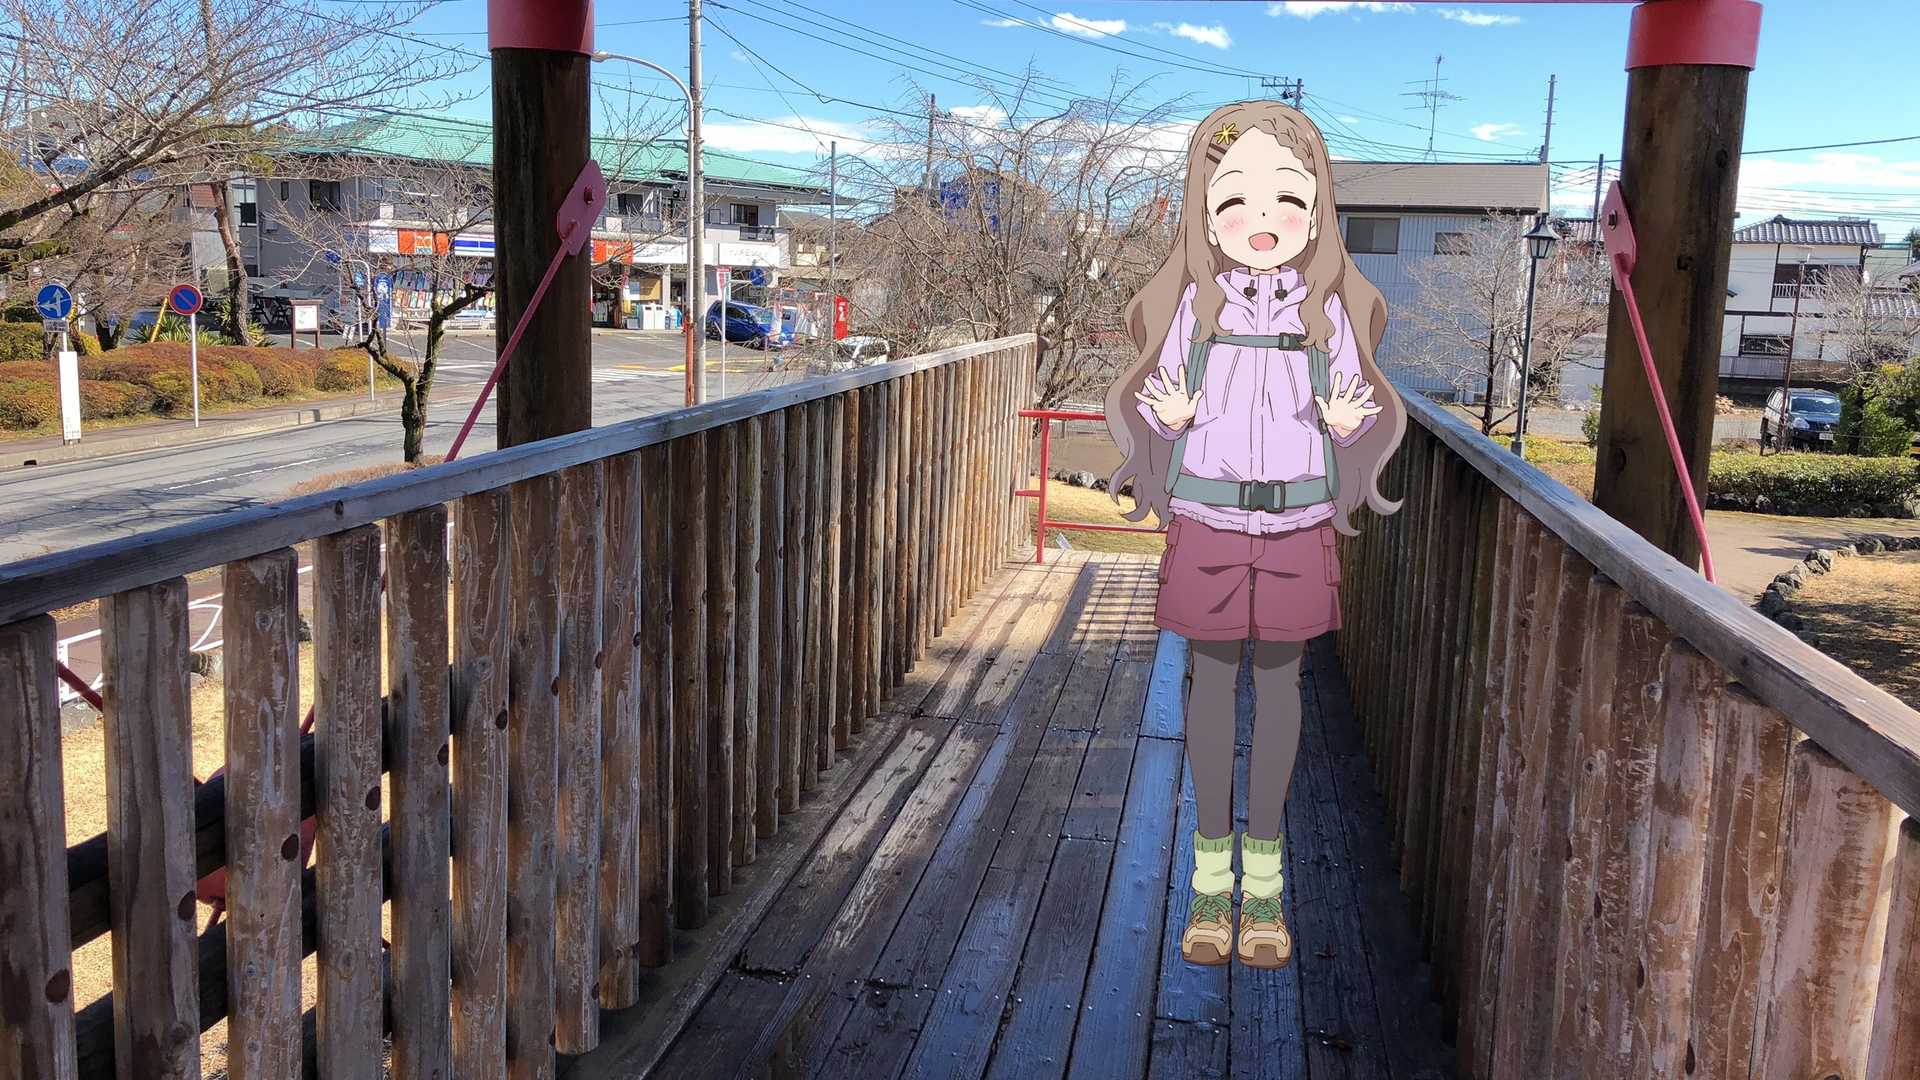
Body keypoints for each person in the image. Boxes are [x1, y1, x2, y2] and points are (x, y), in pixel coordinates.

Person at [1103, 101, 1406, 970]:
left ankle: (1263, 883)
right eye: (1234, 199)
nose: (1261, 220)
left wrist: (1349, 425)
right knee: (1209, 687)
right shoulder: (1192, 309)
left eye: (1287, 200)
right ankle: (1210, 878)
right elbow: (1155, 399)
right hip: (1206, 516)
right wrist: (1167, 419)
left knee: (1280, 691)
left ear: (1317, 212)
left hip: (1299, 522)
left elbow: (1357, 408)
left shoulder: (1328, 312)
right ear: (1205, 214)